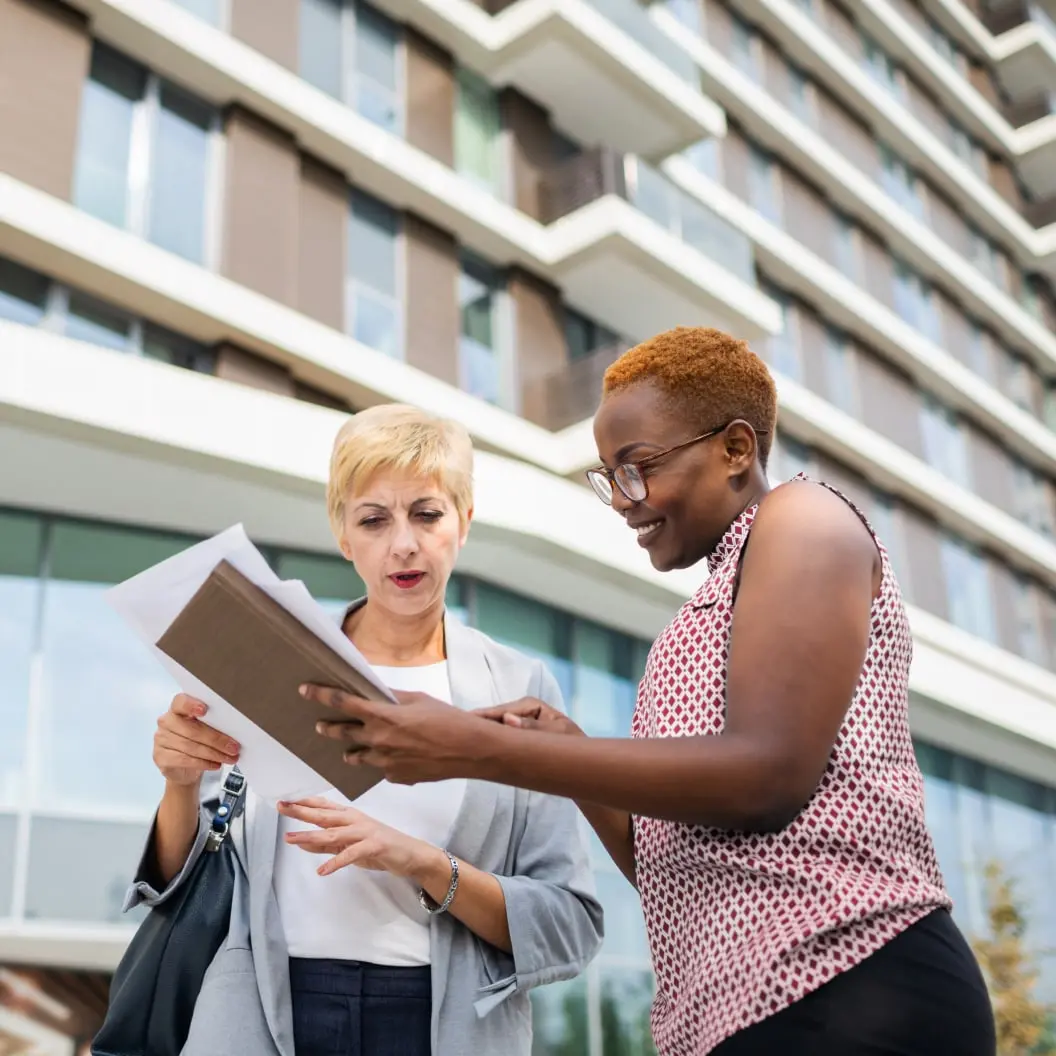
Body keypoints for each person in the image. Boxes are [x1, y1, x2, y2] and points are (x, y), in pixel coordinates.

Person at [301, 328, 998, 1056]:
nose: (624, 502)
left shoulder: (803, 519)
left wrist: (476, 747)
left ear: (735, 449)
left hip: (853, 986)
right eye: (609, 478)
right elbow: (674, 863)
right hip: (742, 1013)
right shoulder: (698, 618)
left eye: (638, 468)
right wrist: (567, 754)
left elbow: (767, 776)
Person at [126, 404, 603, 1056]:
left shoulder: (518, 691)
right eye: (374, 520)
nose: (403, 543)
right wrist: (180, 785)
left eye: (427, 514)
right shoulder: (271, 657)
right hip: (263, 1012)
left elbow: (569, 924)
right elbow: (189, 877)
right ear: (344, 537)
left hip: (441, 1025)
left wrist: (425, 863)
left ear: (464, 522)